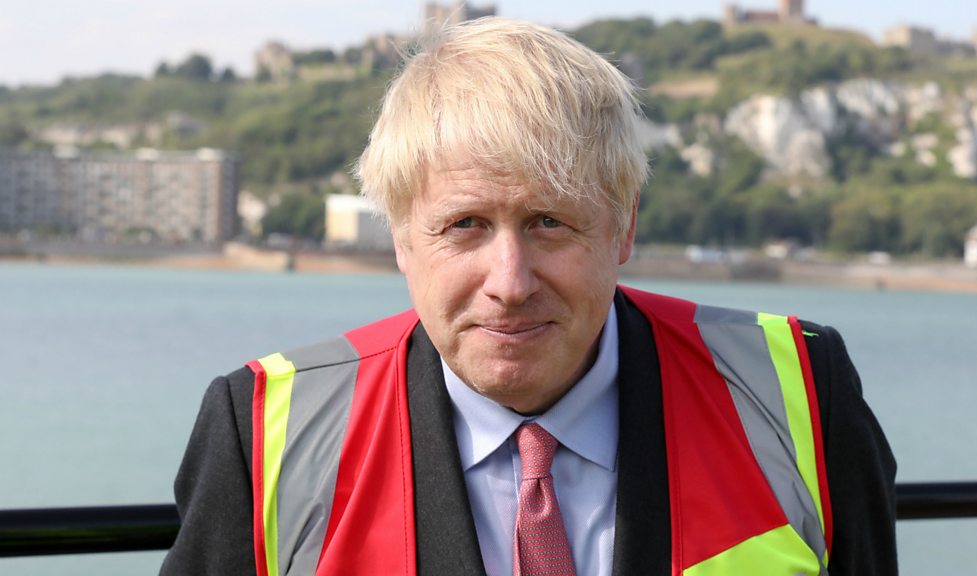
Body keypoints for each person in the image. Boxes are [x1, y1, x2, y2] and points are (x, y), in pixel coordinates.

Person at [161, 17, 897, 576]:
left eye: (550, 223)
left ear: (624, 226)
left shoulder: (799, 392)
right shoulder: (264, 432)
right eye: (464, 226)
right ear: (401, 239)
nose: (510, 283)